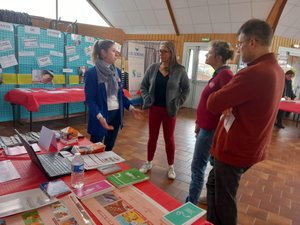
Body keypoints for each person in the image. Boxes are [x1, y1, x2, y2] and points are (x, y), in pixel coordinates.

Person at [205, 19, 285, 225]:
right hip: (251, 145)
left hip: (235, 148)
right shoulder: (276, 69)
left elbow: (213, 103)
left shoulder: (254, 72)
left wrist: (224, 98)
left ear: (253, 42)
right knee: (214, 184)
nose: (238, 49)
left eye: (240, 43)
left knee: (224, 201)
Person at [186, 41, 234, 205]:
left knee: (197, 166)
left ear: (219, 57)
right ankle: (209, 196)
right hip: (205, 128)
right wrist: (199, 122)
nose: (206, 55)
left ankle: (190, 204)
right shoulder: (218, 74)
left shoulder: (226, 75)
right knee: (209, 164)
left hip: (211, 130)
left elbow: (229, 102)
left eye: (209, 53)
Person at [139, 41, 190, 179]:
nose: (160, 53)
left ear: (171, 53)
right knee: (152, 138)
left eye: (164, 51)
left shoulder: (180, 70)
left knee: (169, 139)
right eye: (160, 51)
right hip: (154, 109)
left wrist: (177, 102)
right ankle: (149, 162)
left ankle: (171, 166)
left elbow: (186, 89)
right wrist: (147, 98)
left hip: (170, 110)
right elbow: (143, 86)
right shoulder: (153, 68)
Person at [84, 40, 143, 151]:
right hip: (100, 117)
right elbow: (90, 100)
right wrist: (100, 117)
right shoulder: (92, 73)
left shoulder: (117, 72)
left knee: (109, 148)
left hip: (115, 115)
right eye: (113, 51)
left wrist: (131, 108)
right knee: (94, 150)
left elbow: (120, 95)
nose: (116, 54)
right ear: (103, 53)